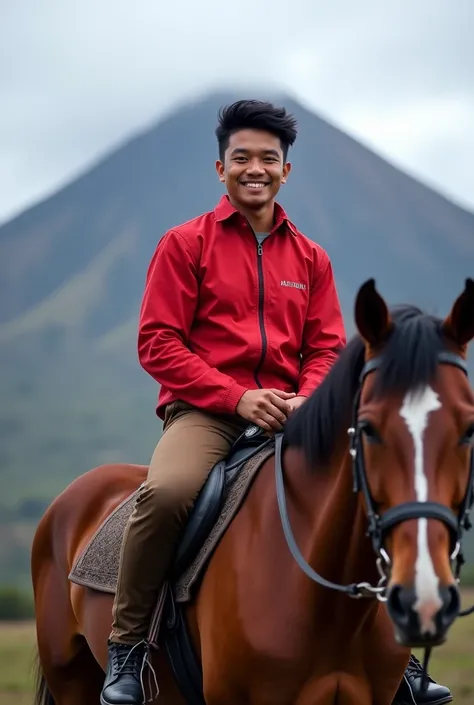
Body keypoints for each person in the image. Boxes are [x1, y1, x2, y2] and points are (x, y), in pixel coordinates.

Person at [100, 100, 452, 705]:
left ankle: (396, 654)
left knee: (364, 493)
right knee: (166, 495)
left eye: (269, 158)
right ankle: (128, 648)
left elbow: (324, 347)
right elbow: (158, 343)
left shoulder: (311, 258)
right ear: (220, 169)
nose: (255, 168)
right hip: (207, 412)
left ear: (286, 171)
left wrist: (306, 401)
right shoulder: (184, 244)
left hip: (297, 414)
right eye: (242, 158)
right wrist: (237, 397)